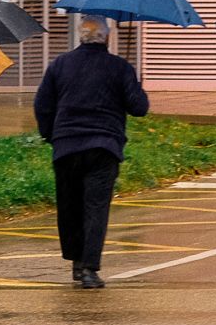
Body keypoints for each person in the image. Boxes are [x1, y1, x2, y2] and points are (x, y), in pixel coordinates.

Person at [33, 20, 150, 289]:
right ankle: (89, 269)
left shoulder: (59, 65)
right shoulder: (120, 67)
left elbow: (42, 104)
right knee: (96, 208)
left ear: (81, 36)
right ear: (106, 39)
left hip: (66, 146)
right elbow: (139, 108)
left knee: (70, 206)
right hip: (103, 146)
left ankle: (76, 262)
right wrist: (136, 84)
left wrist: (51, 135)